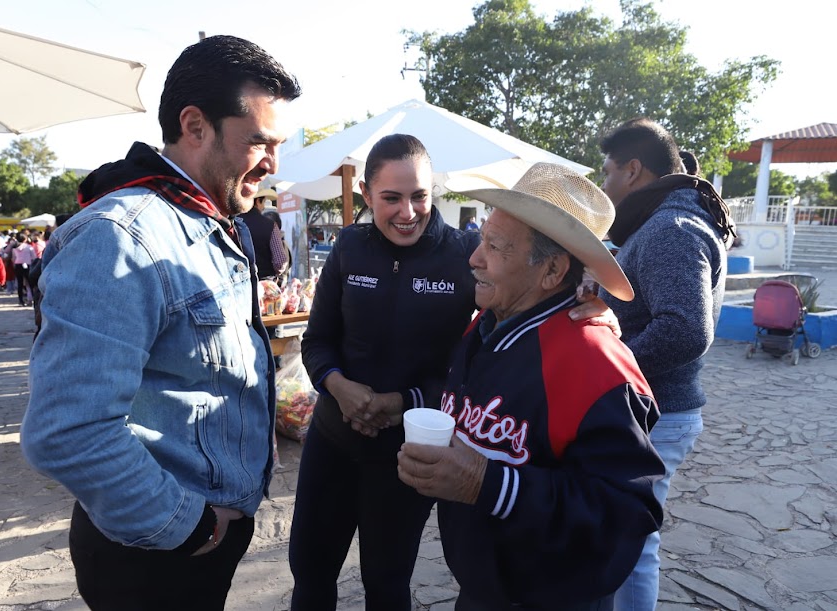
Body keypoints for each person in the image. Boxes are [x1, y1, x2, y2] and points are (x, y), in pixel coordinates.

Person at [20, 34, 301, 611]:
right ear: (195, 126)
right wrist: (190, 525)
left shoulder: (207, 218)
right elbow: (67, 431)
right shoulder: (119, 237)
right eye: (259, 142)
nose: (274, 164)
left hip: (198, 536)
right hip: (155, 554)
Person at [289, 135, 620, 610]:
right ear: (366, 193)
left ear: (433, 191)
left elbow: (473, 355)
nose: (408, 212)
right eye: (391, 198)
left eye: (419, 196)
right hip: (333, 437)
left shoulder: (466, 254)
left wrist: (593, 303)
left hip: (408, 453)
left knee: (387, 580)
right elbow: (317, 340)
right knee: (310, 570)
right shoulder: (350, 246)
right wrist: (340, 389)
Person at [397, 162, 665, 611]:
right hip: (486, 586)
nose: (474, 258)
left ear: (552, 270)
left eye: (496, 247)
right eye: (481, 238)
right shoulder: (486, 327)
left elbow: (625, 515)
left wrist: (488, 482)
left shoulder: (596, 365)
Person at [598, 118, 735, 611]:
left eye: (608, 171)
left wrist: (608, 366)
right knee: (622, 539)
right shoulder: (662, 221)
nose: (604, 184)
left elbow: (685, 330)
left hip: (656, 416)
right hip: (649, 412)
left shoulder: (671, 227)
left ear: (633, 170)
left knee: (630, 547)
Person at [239, 188, 289, 285]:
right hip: (265, 285)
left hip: (240, 283)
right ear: (258, 201)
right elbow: (280, 263)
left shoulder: (235, 223)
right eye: (264, 202)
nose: (263, 207)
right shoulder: (270, 225)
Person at [10, 233, 35, 306]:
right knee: (30, 283)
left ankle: (21, 300)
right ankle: (32, 298)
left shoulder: (14, 248)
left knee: (20, 283)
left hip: (18, 265)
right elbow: (34, 257)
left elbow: (13, 258)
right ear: (25, 239)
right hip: (27, 265)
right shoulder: (29, 247)